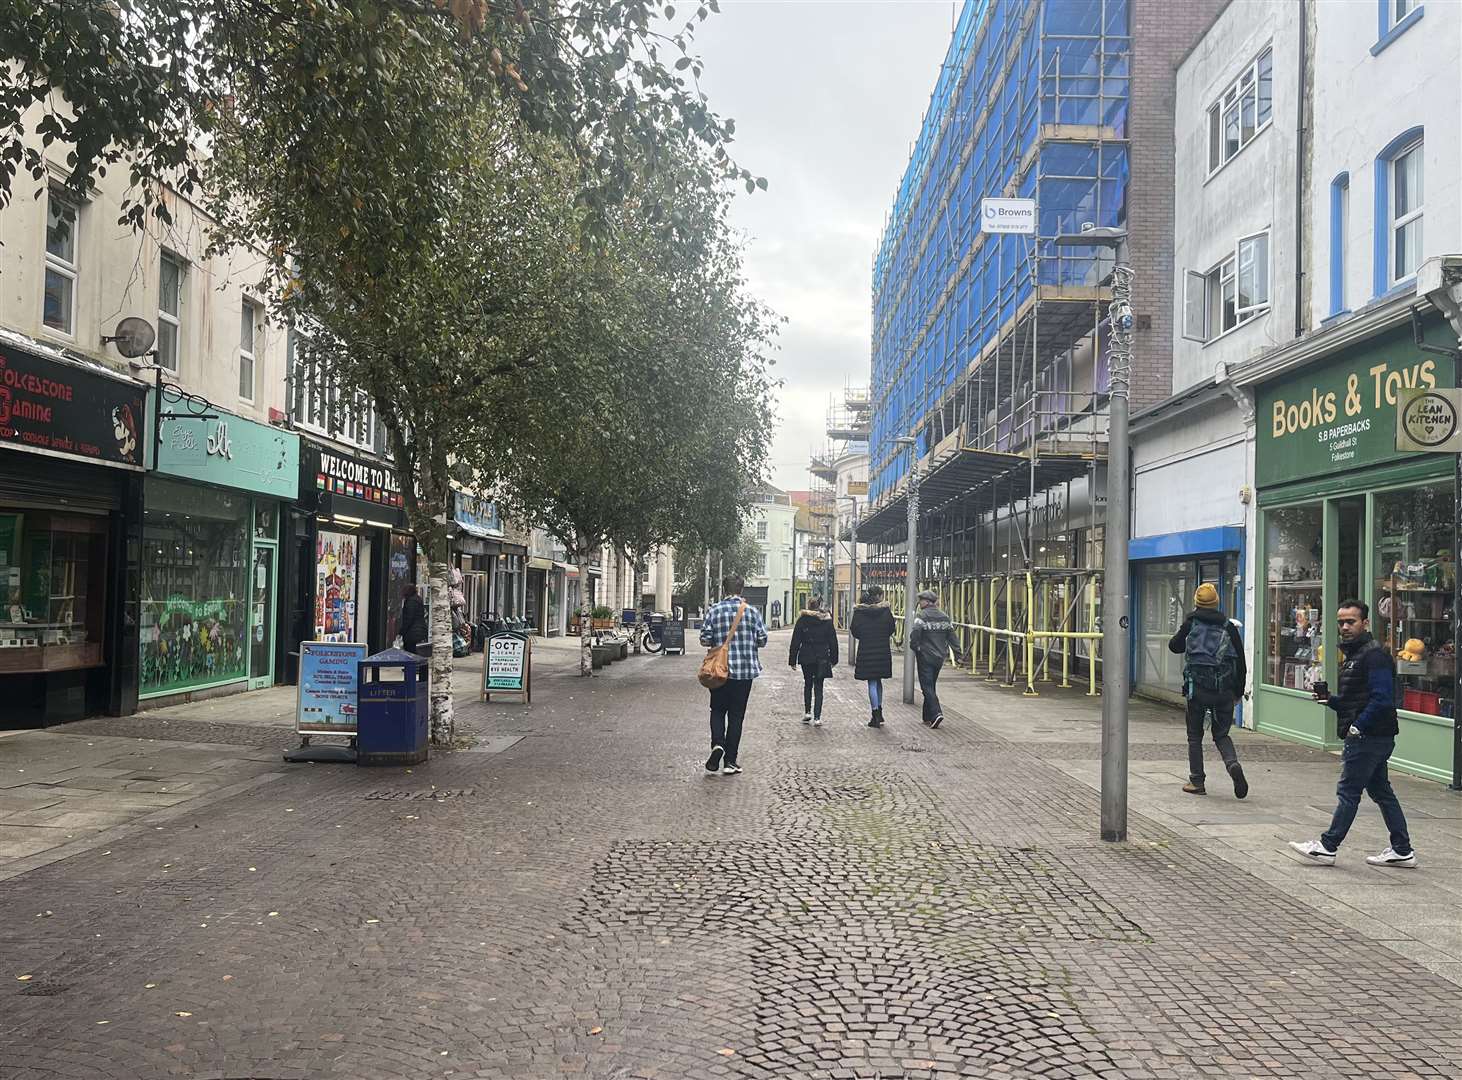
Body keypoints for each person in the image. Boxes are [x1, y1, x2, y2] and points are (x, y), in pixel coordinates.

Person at [1290, 600, 1416, 868]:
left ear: (1365, 623)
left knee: (1348, 791)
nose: (1345, 627)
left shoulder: (1374, 655)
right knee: (1382, 792)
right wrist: (1331, 701)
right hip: (1374, 735)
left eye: (1351, 622)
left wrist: (1358, 726)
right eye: (1341, 622)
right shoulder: (1358, 654)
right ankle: (1402, 849)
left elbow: (1383, 699)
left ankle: (1327, 846)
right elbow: (1359, 699)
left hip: (1368, 737)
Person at [1166, 582, 1248, 798]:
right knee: (1221, 735)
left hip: (1198, 690)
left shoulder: (1191, 623)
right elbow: (1241, 661)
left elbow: (1174, 646)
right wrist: (1238, 691)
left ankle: (1197, 781)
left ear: (1196, 602)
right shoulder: (1228, 626)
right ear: (1216, 602)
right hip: (1224, 691)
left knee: (1194, 736)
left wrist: (1189, 643)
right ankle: (1232, 765)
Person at [698, 574, 769, 776]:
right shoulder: (752, 612)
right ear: (742, 590)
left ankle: (717, 744)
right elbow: (762, 640)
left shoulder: (714, 610)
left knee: (717, 710)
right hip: (744, 671)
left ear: (723, 590)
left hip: (718, 671)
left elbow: (704, 639)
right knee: (736, 715)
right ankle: (730, 761)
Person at [909, 589, 957, 729]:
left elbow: (916, 632)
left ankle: (936, 713)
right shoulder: (944, 617)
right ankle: (927, 716)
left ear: (927, 602)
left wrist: (915, 646)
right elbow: (952, 636)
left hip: (925, 656)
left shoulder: (921, 616)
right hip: (939, 657)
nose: (919, 602)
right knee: (931, 685)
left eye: (921, 600)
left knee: (926, 687)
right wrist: (958, 654)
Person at [789, 596, 839, 726]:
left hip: (806, 656)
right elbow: (833, 641)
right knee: (819, 686)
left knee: (807, 684)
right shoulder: (827, 621)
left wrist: (792, 660)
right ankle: (817, 717)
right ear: (819, 606)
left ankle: (807, 712)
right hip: (822, 657)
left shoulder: (802, 620)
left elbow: (795, 641)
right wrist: (834, 659)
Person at [850, 585, 896, 728]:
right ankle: (880, 711)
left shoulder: (859, 611)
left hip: (866, 649)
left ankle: (875, 714)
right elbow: (891, 629)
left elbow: (855, 630)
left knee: (872, 682)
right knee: (879, 680)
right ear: (880, 596)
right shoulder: (885, 611)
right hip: (882, 650)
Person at [399, 583, 427, 655]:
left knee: (410, 652)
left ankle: (411, 666)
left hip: (412, 633)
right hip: (419, 631)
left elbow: (408, 618)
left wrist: (402, 631)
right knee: (417, 653)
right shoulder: (418, 599)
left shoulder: (410, 601)